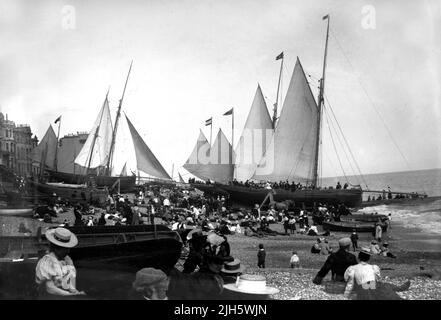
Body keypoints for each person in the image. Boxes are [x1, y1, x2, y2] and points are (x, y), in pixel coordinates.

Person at [35, 228, 86, 299]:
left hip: (64, 295)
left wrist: (76, 292)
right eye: (65, 249)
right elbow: (49, 287)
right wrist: (68, 295)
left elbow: (69, 284)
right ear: (56, 248)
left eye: (68, 248)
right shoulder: (47, 261)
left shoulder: (67, 260)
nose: (68, 251)